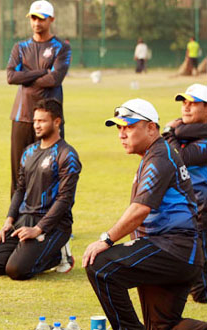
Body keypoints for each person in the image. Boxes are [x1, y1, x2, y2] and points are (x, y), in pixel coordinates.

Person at [84, 98, 207, 330]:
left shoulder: (159, 156)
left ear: (151, 127)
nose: (122, 134)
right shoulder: (155, 154)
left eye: (129, 126)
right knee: (163, 326)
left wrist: (107, 239)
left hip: (173, 250)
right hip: (180, 253)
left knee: (100, 265)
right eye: (119, 128)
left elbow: (140, 209)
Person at [0, 99, 80, 280]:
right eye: (35, 121)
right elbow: (20, 189)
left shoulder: (67, 155)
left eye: (42, 121)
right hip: (24, 218)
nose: (36, 125)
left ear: (57, 122)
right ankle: (35, 251)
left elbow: (64, 199)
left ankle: (61, 255)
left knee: (16, 270)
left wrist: (38, 229)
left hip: (53, 224)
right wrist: (9, 221)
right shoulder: (29, 152)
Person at [6, 0, 71, 197]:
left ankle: (48, 223)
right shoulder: (21, 47)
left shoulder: (61, 47)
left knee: (51, 170)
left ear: (51, 19)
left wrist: (26, 75)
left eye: (41, 18)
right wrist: (42, 71)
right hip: (23, 116)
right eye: (33, 18)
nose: (37, 23)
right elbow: (11, 77)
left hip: (51, 118)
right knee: (19, 172)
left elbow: (55, 78)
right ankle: (14, 222)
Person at [163, 83, 207, 303]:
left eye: (194, 103)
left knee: (200, 292)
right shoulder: (184, 135)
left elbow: (179, 158)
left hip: (203, 214)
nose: (186, 108)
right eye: (184, 103)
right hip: (188, 214)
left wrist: (170, 131)